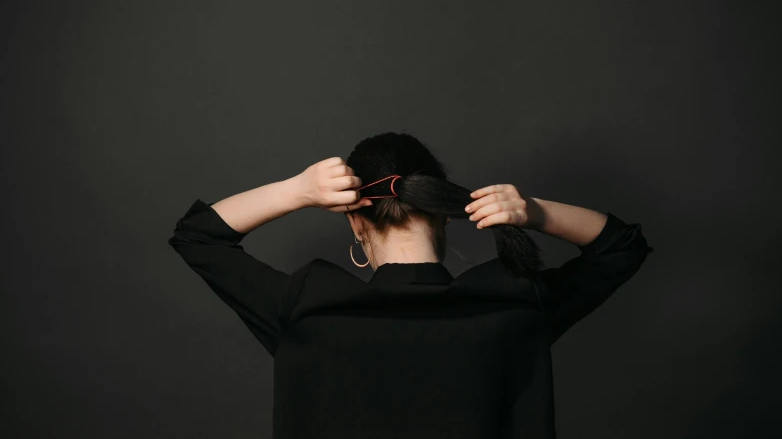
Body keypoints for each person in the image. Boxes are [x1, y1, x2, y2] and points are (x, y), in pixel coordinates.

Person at [167, 131, 654, 439]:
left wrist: (299, 190)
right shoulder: (513, 303)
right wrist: (533, 211)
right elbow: (620, 247)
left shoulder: (307, 309)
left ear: (357, 224)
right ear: (443, 219)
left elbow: (198, 237)